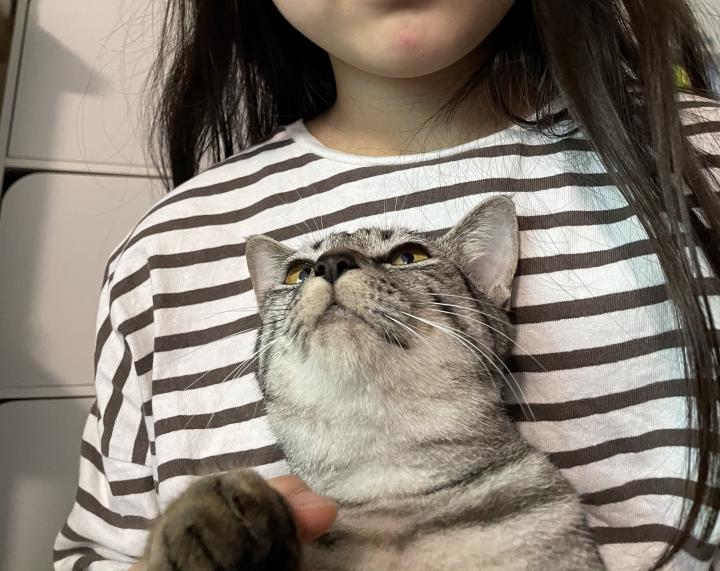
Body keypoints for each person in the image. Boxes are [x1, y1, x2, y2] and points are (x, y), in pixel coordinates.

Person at [53, 1, 720, 569]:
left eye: (405, 257)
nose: (333, 269)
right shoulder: (161, 254)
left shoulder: (700, 162)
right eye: (298, 274)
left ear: (489, 284)